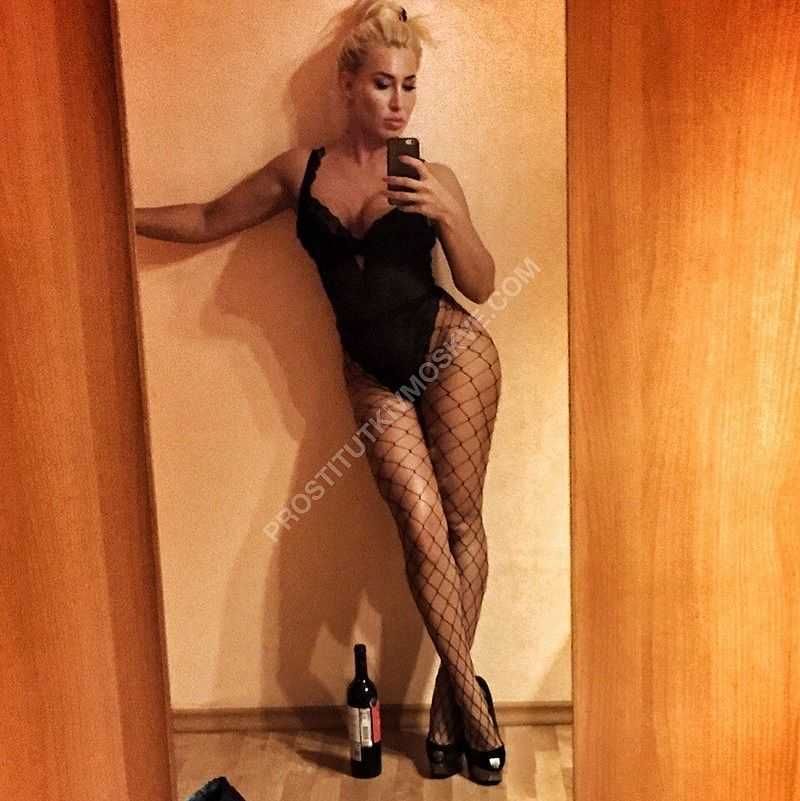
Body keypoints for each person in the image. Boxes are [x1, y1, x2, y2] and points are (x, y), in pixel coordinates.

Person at [135, 0, 505, 785]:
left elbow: (480, 283)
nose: (398, 101)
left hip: (454, 352)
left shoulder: (431, 177)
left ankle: (451, 710)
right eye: (382, 83)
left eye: (409, 85)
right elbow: (206, 216)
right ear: (347, 85)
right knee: (421, 525)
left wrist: (446, 214)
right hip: (371, 373)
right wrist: (112, 215)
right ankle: (473, 698)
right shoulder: (297, 171)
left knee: (463, 521)